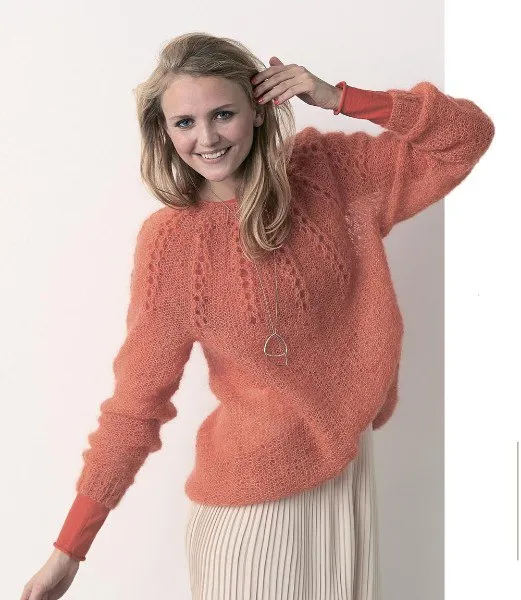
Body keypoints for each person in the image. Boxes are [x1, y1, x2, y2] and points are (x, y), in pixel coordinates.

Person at [20, 32, 495, 600]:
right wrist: (68, 550)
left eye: (223, 114)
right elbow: (134, 406)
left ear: (259, 107)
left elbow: (466, 136)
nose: (207, 139)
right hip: (250, 511)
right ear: (164, 132)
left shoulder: (329, 173)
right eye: (184, 123)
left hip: (344, 481)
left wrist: (340, 97)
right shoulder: (171, 246)